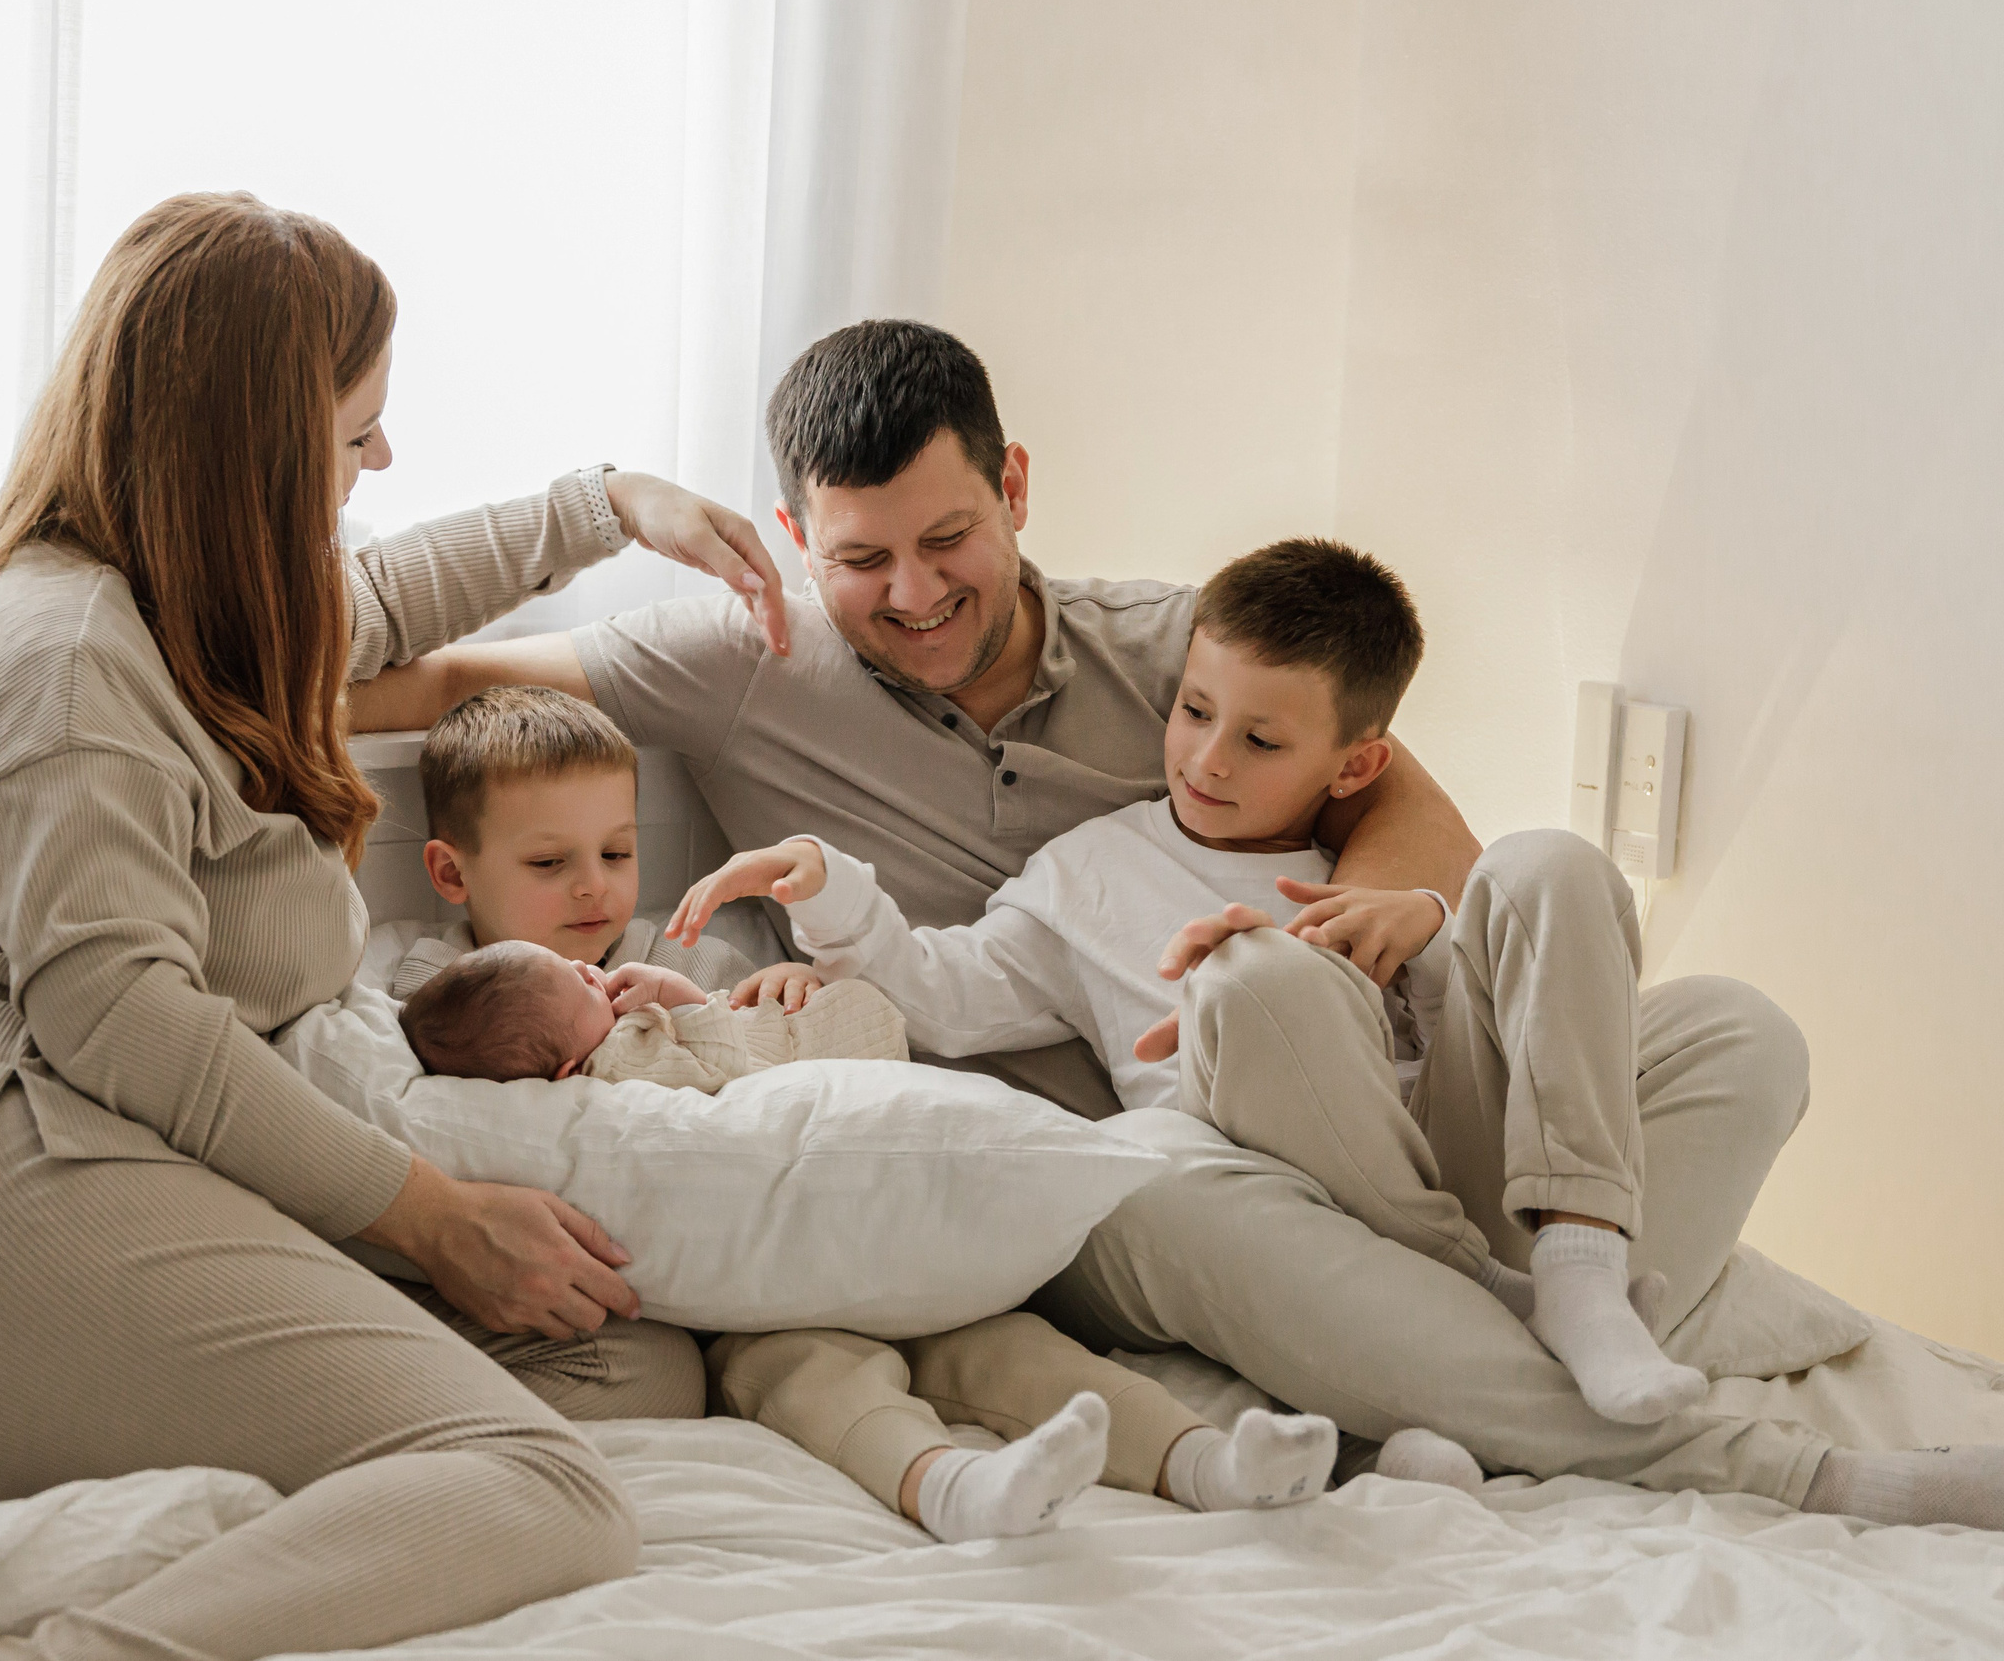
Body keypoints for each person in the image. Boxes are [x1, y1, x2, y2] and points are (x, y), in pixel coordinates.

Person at [350, 317, 1993, 1521]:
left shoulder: (1181, 656)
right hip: (1129, 1158)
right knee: (1212, 1130)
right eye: (862, 562)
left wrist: (1374, 910)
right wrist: (590, 509)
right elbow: (396, 681)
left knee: (1734, 1036)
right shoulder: (733, 655)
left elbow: (1396, 791)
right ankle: (1802, 1467)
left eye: (950, 539)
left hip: (1379, 1097)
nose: (914, 595)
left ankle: (1514, 1305)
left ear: (1014, 488)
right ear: (793, 540)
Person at [0, 192, 805, 1660]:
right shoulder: (65, 656)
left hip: (115, 1169)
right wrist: (436, 1216)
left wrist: (611, 500)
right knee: (549, 1485)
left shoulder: (190, 608)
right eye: (353, 432)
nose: (379, 461)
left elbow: (375, 594)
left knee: (628, 1367)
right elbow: (116, 1017)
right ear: (249, 451)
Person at [673, 536, 1716, 1429]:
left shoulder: (1375, 875)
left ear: (1354, 768)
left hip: (1453, 1168)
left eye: (1259, 739)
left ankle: (1578, 1269)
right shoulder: (1086, 874)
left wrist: (1432, 925)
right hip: (1283, 1198)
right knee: (1255, 976)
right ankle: (1486, 1301)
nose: (1206, 758)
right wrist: (828, 887)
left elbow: (1482, 1055)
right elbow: (941, 994)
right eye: (1191, 711)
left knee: (1570, 875)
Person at [399, 941, 1381, 1538]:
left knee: (1023, 1351)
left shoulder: (655, 1007)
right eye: (581, 984)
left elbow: (809, 1043)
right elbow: (690, 1083)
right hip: (761, 1308)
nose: (602, 976)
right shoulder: (606, 1080)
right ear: (567, 1058)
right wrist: (676, 1014)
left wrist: (699, 995)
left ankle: (1208, 1459)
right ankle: (949, 1485)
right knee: (820, 1381)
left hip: (894, 1261)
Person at [362, 685, 785, 1003]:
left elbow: (770, 1045)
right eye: (548, 862)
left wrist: (790, 991)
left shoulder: (696, 964)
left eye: (615, 854)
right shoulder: (440, 988)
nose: (594, 886)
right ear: (452, 873)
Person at [399, 940, 902, 1088]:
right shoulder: (616, 1064)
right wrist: (673, 989)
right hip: (839, 1046)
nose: (585, 965)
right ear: (567, 1071)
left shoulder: (590, 1040)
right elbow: (721, 1066)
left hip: (788, 1019)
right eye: (582, 984)